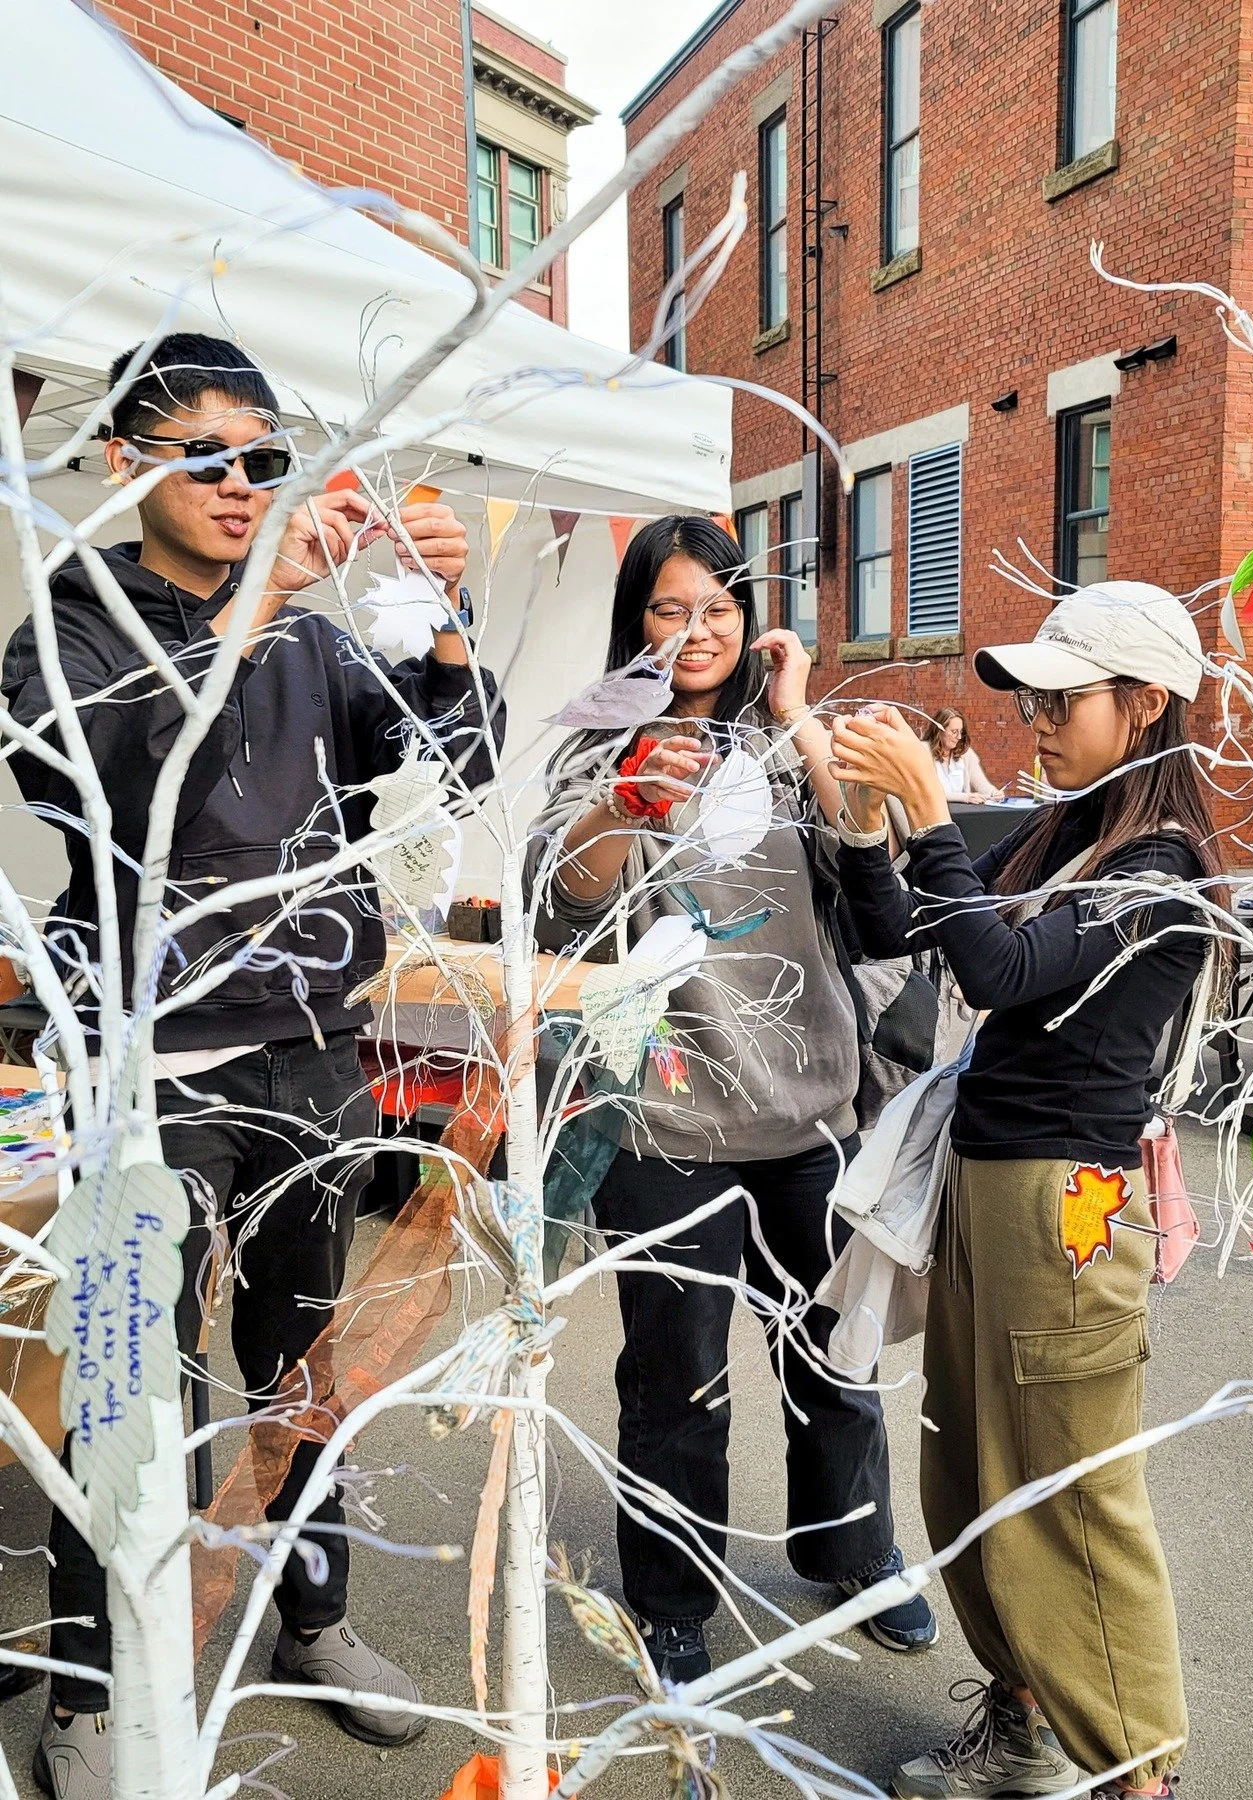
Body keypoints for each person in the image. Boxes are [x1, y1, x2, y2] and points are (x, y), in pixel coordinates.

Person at [3, 332, 504, 1796]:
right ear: (124, 461)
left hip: (307, 1050)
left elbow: (449, 762)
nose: (241, 485)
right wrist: (253, 609)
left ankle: (318, 1616)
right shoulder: (68, 622)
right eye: (207, 454)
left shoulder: (311, 635)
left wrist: (448, 618)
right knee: (125, 1376)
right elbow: (121, 774)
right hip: (147, 1061)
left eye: (262, 461)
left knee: (296, 1364)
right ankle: (98, 1686)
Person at [526, 515, 935, 1684]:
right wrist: (621, 804)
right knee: (678, 1379)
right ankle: (672, 1596)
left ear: (752, 622)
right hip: (664, 1120)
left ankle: (853, 1552)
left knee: (831, 1353)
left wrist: (800, 707)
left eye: (717, 608)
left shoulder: (787, 748)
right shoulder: (596, 749)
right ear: (635, 621)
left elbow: (873, 875)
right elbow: (559, 910)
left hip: (810, 1112)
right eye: (669, 608)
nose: (695, 632)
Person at [828, 582, 1219, 1800]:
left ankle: (1136, 1777)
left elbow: (994, 970)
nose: (1038, 718)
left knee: (1075, 1498)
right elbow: (900, 923)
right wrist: (863, 821)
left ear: (1146, 704)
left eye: (1064, 697)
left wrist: (934, 806)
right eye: (1032, 697)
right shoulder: (1064, 831)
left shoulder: (1163, 869)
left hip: (1072, 1205)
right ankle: (1027, 1728)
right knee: (965, 1472)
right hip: (988, 1182)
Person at [924, 707, 1001, 802]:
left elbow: (981, 784)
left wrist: (994, 793)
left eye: (961, 732)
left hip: (961, 814)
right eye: (954, 732)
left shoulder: (966, 753)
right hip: (935, 814)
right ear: (939, 731)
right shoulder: (923, 751)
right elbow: (928, 793)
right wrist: (965, 797)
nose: (959, 737)